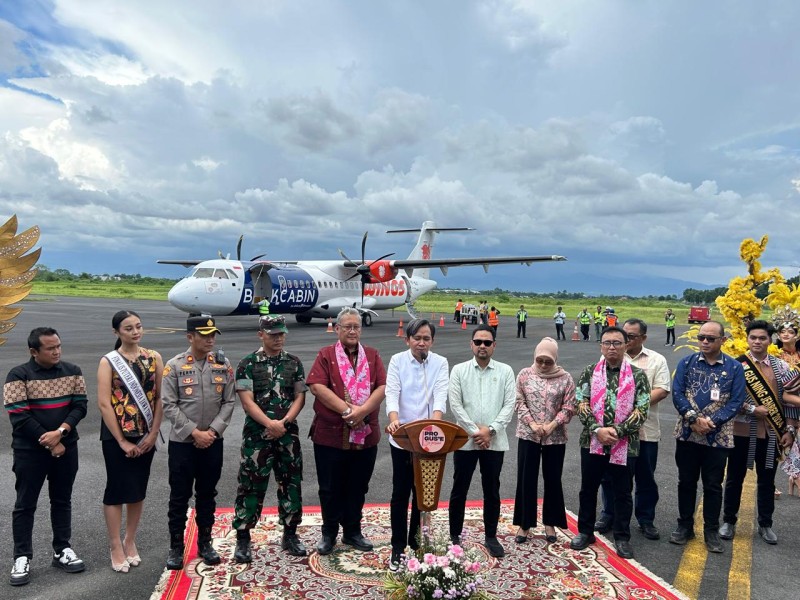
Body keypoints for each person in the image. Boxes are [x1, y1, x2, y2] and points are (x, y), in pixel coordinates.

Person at [4, 327, 88, 586]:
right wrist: (50, 442)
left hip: (66, 446)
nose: (57, 351)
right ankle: (22, 557)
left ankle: (62, 550)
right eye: (50, 348)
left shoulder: (73, 371)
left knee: (62, 500)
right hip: (30, 452)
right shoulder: (17, 375)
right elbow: (19, 415)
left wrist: (60, 433)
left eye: (58, 346)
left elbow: (80, 406)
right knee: (25, 504)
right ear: (34, 351)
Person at [307, 307, 387, 555]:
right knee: (329, 487)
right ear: (337, 329)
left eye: (356, 327)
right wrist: (348, 411)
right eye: (347, 327)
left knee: (358, 486)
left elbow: (383, 387)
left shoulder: (372, 355)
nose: (352, 331)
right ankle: (329, 533)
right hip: (330, 436)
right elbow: (317, 387)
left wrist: (362, 412)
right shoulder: (326, 354)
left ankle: (353, 531)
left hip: (365, 436)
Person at [231, 314, 308, 562]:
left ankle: (290, 534)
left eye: (282, 333)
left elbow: (300, 397)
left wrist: (284, 423)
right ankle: (243, 538)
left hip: (287, 435)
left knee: (291, 482)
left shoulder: (294, 362)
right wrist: (270, 424)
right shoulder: (247, 364)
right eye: (273, 334)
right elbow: (247, 402)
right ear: (261, 335)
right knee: (251, 485)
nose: (278, 338)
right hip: (257, 436)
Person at [162, 316, 236, 570]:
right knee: (179, 496)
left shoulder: (223, 365)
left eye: (212, 334)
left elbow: (229, 401)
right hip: (183, 443)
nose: (210, 339)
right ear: (190, 337)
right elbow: (169, 405)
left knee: (207, 493)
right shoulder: (174, 366)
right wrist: (194, 432)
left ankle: (205, 542)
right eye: (204, 335)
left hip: (213, 441)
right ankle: (176, 547)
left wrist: (213, 431)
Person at [570, 326, 650, 560]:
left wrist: (616, 431)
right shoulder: (589, 372)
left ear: (626, 345)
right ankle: (585, 532)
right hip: (592, 442)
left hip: (625, 445)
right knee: (588, 489)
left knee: (623, 492)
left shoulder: (638, 375)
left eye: (617, 343)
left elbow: (641, 409)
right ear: (601, 346)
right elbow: (580, 403)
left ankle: (622, 537)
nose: (612, 347)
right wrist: (597, 430)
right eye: (607, 343)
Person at [719, 320, 800, 545]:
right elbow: (726, 398)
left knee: (767, 481)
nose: (757, 342)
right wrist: (751, 409)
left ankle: (766, 524)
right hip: (741, 432)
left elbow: (791, 402)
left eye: (762, 338)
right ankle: (728, 521)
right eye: (753, 337)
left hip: (772, 433)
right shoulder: (735, 365)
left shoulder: (781, 367)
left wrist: (790, 429)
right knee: (734, 478)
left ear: (769, 340)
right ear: (747, 339)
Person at [97, 310, 164, 573]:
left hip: (145, 434)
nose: (135, 332)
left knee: (137, 488)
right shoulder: (109, 361)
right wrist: (122, 441)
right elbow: (104, 403)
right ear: (116, 332)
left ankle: (130, 539)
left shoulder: (154, 357)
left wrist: (154, 433)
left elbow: (160, 397)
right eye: (128, 328)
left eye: (138, 326)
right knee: (116, 489)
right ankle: (115, 544)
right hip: (117, 436)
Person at [670, 321, 745, 553]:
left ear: (723, 340)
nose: (704, 342)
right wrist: (693, 419)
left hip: (717, 437)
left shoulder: (734, 368)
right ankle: (684, 526)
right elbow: (677, 393)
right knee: (686, 481)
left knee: (713, 485)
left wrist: (712, 422)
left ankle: (711, 530)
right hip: (687, 433)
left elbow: (736, 401)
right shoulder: (687, 363)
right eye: (701, 337)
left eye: (710, 339)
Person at [595, 319, 670, 541]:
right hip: (615, 433)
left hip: (645, 432)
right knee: (610, 477)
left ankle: (645, 519)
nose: (624, 341)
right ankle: (609, 514)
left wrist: (632, 404)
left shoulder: (656, 359)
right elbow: (599, 386)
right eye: (623, 335)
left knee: (645, 478)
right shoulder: (608, 357)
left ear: (643, 338)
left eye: (631, 337)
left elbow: (662, 390)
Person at [384, 319, 449, 570]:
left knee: (423, 494)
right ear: (407, 340)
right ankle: (398, 547)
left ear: (432, 341)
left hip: (429, 441)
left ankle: (417, 543)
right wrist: (394, 419)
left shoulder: (440, 363)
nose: (421, 343)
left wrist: (435, 426)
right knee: (400, 494)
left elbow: (440, 396)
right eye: (417, 338)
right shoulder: (397, 361)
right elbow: (392, 393)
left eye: (426, 339)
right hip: (402, 438)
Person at [448, 325, 515, 558]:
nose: (482, 346)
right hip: (465, 441)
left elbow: (509, 405)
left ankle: (491, 536)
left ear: (494, 345)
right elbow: (455, 405)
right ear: (471, 344)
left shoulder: (506, 371)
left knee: (492, 489)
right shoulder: (459, 370)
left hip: (494, 442)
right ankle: (454, 535)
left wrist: (491, 431)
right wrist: (476, 432)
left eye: (487, 342)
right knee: (459, 488)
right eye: (478, 342)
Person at [512, 337, 576, 545]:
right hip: (528, 434)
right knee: (526, 478)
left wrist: (552, 425)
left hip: (554, 436)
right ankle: (525, 523)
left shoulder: (565, 378)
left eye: (548, 361)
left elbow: (569, 406)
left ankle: (550, 522)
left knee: (553, 479)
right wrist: (532, 424)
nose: (543, 365)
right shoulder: (524, 374)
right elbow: (519, 401)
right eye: (539, 360)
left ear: (555, 359)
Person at [773, 307, 800, 494]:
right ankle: (770, 483)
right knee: (777, 444)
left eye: (790, 331)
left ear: (797, 335)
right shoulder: (773, 354)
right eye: (782, 331)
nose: (786, 334)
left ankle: (794, 476)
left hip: (797, 403)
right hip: (780, 404)